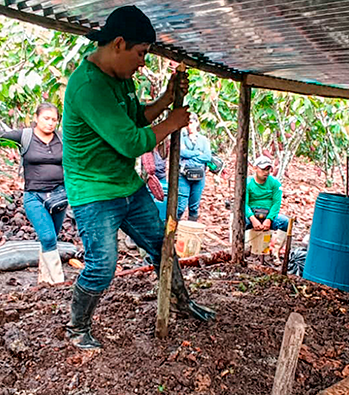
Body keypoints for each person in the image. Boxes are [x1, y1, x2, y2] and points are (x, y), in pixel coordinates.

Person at [62, 5, 214, 350]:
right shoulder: (88, 87)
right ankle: (77, 327)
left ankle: (179, 301)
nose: (143, 62)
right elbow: (130, 141)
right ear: (118, 43)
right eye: (141, 53)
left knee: (163, 245)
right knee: (102, 266)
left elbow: (137, 117)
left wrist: (167, 100)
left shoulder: (120, 79)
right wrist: (173, 122)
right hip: (94, 192)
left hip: (127, 187)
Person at [0, 96, 66, 285]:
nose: (50, 123)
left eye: (54, 119)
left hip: (59, 196)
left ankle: (45, 280)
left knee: (51, 240)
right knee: (48, 236)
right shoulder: (24, 135)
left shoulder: (61, 137)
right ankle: (59, 282)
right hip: (34, 195)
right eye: (46, 118)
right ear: (36, 118)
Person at [178, 113, 211, 221]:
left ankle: (191, 233)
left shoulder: (203, 140)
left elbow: (207, 157)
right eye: (187, 123)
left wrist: (190, 157)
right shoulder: (182, 138)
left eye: (191, 123)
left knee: (194, 207)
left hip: (199, 176)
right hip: (184, 176)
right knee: (180, 206)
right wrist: (197, 153)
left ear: (197, 123)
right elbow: (182, 153)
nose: (189, 126)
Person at [245, 156, 289, 232]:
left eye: (268, 169)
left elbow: (276, 203)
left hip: (268, 212)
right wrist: (252, 218)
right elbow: (244, 203)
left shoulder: (275, 183)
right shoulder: (247, 182)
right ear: (255, 168)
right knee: (242, 221)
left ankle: (275, 243)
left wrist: (269, 219)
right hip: (252, 212)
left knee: (284, 222)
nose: (266, 172)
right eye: (263, 169)